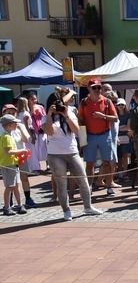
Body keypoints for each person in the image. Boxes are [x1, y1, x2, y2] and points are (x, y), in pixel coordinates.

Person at [42, 88, 103, 221]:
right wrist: (50, 114)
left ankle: (88, 206)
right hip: (55, 154)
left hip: (72, 152)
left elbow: (75, 129)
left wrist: (66, 114)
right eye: (55, 104)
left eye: (60, 104)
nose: (58, 107)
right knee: (62, 184)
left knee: (83, 181)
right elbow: (49, 131)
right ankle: (66, 210)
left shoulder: (68, 112)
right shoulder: (45, 117)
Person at [78, 79, 118, 195]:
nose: (97, 90)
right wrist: (81, 137)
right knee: (90, 163)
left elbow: (115, 118)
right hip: (89, 135)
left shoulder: (107, 102)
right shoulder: (84, 103)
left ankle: (109, 186)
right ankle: (89, 187)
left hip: (104, 135)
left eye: (99, 87)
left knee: (107, 162)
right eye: (94, 87)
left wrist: (103, 116)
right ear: (89, 89)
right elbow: (80, 119)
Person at [4, 104, 35, 208]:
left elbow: (26, 139)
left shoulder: (18, 125)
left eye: (14, 113)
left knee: (24, 177)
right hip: (9, 156)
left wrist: (21, 128)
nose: (12, 115)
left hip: (21, 155)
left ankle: (28, 198)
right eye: (9, 113)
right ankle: (10, 201)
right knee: (12, 180)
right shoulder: (2, 127)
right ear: (4, 114)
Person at [26, 92, 48, 174]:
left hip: (41, 129)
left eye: (35, 98)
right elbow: (26, 119)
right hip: (33, 130)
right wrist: (31, 112)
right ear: (28, 100)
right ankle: (36, 166)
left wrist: (40, 113)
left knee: (43, 147)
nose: (34, 100)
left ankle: (47, 165)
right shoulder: (27, 108)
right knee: (35, 148)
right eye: (32, 99)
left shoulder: (40, 107)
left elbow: (45, 117)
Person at [115, 98, 132, 181]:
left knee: (125, 156)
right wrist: (122, 127)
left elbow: (128, 128)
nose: (121, 106)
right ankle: (119, 173)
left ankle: (125, 173)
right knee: (118, 157)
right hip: (117, 137)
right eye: (119, 105)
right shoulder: (114, 114)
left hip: (125, 137)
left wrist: (119, 128)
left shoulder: (128, 114)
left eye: (122, 104)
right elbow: (114, 128)